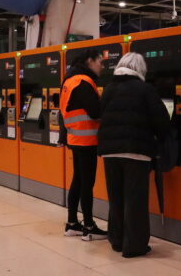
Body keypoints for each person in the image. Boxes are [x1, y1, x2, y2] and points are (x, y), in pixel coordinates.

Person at [98, 52, 171, 258]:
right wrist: (161, 139)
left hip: (110, 151)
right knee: (135, 200)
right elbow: (161, 120)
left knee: (116, 198)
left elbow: (100, 114)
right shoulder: (145, 89)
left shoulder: (109, 88)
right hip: (136, 151)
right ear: (140, 69)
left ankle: (117, 240)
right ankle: (134, 246)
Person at [59, 49, 108, 241]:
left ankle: (72, 223)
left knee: (78, 180)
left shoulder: (69, 81)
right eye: (99, 62)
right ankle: (89, 226)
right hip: (87, 140)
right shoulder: (83, 81)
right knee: (87, 183)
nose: (102, 67)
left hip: (75, 138)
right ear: (89, 61)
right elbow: (95, 111)